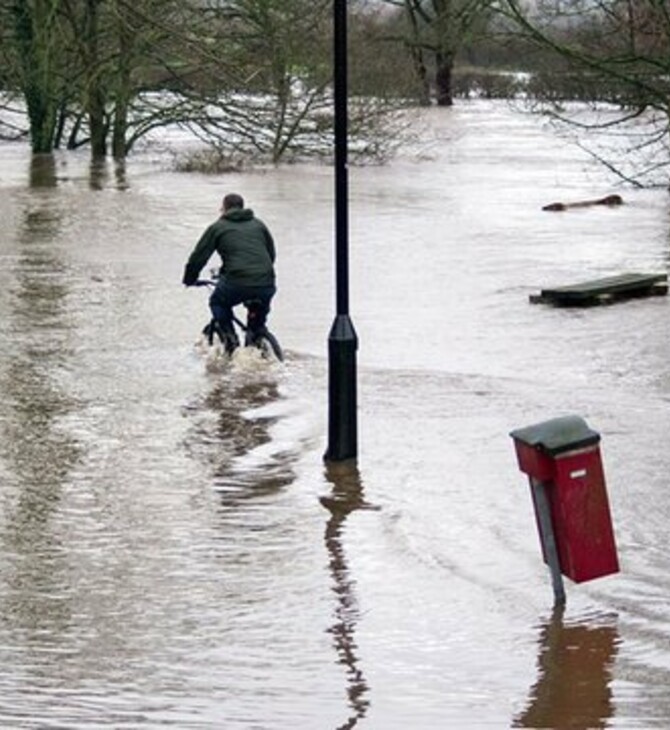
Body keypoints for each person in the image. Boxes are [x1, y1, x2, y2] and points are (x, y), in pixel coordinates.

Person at [182, 193, 277, 350]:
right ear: (242, 207)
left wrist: (189, 279)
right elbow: (271, 254)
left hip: (237, 282)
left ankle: (230, 338)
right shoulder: (259, 224)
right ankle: (258, 335)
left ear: (224, 208)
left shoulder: (217, 227)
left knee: (218, 302)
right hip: (266, 283)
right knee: (257, 321)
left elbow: (198, 257)